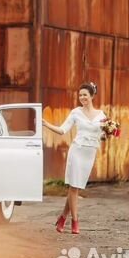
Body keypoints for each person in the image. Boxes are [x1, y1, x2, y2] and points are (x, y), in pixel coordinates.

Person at [42, 82, 105, 234]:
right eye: (80, 95)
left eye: (85, 94)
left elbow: (103, 135)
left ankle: (62, 217)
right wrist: (46, 124)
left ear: (92, 96)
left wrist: (109, 133)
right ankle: (75, 221)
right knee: (74, 186)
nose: (82, 97)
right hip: (77, 151)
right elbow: (62, 130)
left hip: (90, 153)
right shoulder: (76, 112)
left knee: (75, 187)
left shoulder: (102, 115)